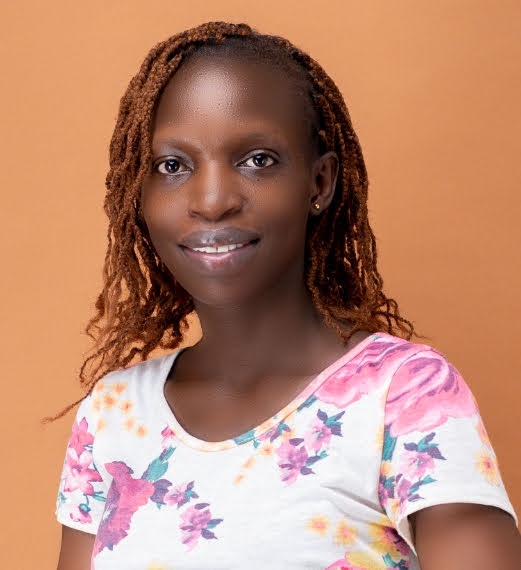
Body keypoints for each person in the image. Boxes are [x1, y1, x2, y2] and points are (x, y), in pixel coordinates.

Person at [54, 21, 521, 570]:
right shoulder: (111, 414)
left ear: (319, 183)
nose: (212, 200)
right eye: (172, 166)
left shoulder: (403, 397)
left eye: (257, 160)